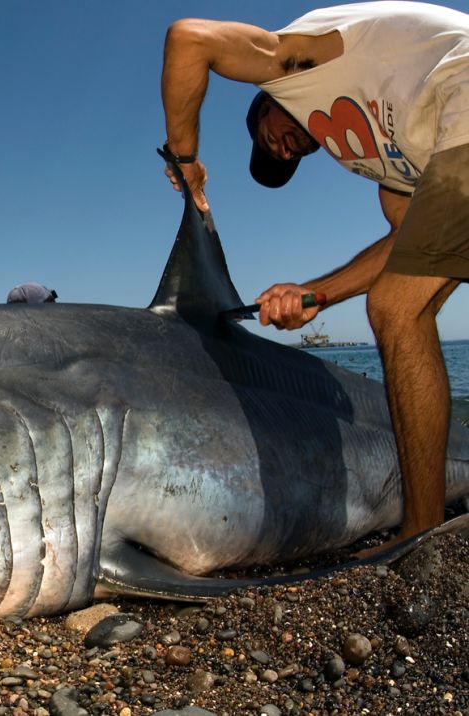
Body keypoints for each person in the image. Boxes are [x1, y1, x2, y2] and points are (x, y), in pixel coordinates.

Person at [160, 2, 469, 552]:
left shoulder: (296, 62)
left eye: (268, 136)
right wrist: (315, 295)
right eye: (283, 157)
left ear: (267, 105)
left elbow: (189, 40)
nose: (282, 147)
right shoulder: (384, 165)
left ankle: (423, 536)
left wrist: (185, 161)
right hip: (451, 138)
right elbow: (407, 247)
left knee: (396, 309)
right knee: (404, 296)